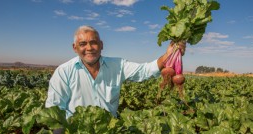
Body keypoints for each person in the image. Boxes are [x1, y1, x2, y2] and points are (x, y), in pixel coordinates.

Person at [45, 25, 186, 118]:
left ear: (101, 45)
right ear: (75, 48)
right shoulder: (63, 72)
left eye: (93, 42)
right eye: (83, 44)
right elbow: (54, 111)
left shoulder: (117, 65)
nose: (89, 48)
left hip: (110, 133)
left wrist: (167, 56)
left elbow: (144, 71)